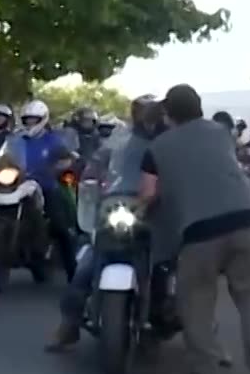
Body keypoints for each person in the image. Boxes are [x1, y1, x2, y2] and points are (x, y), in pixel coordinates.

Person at [139, 84, 250, 374]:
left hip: (200, 232)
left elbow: (148, 193)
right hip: (247, 221)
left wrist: (140, 208)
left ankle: (205, 372)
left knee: (196, 300)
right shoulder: (221, 133)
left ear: (168, 114)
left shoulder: (157, 147)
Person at [50, 95, 170, 350]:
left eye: (150, 113)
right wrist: (89, 174)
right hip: (118, 205)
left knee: (173, 268)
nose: (146, 119)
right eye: (142, 113)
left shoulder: (168, 141)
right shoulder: (120, 139)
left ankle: (195, 331)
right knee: (85, 266)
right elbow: (98, 161)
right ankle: (69, 324)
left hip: (157, 212)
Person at [17, 99, 80, 278]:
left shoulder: (53, 140)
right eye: (27, 119)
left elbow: (68, 158)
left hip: (45, 186)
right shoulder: (17, 140)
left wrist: (57, 167)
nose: (30, 123)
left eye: (34, 119)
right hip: (18, 186)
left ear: (43, 119)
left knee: (60, 227)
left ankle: (72, 270)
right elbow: (2, 157)